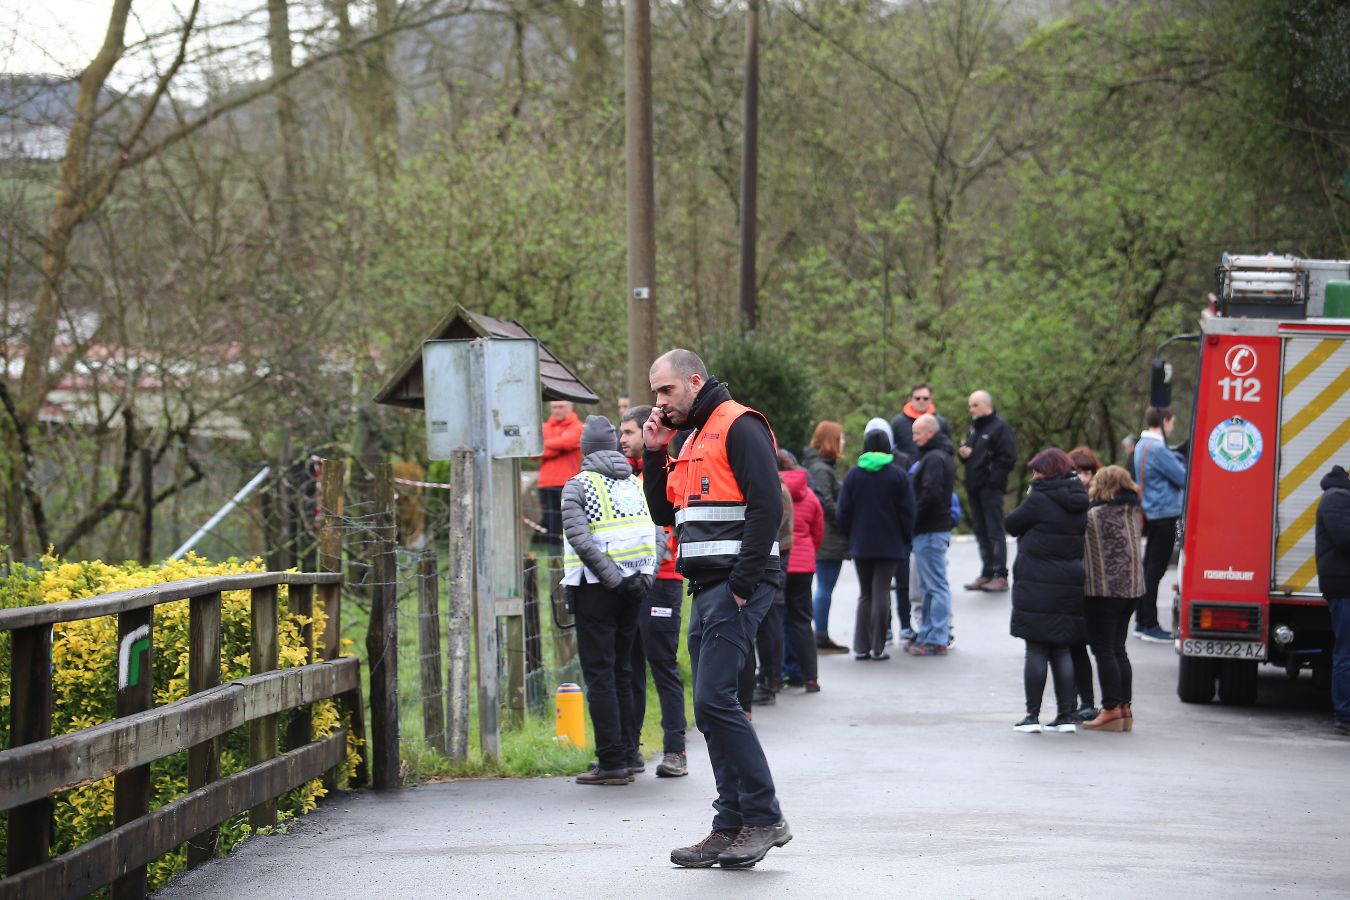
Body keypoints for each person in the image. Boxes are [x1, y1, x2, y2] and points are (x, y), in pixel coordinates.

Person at [641, 349, 791, 869]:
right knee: (710, 706)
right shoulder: (689, 437)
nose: (659, 402)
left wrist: (744, 584)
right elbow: (664, 511)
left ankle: (763, 818)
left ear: (694, 381)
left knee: (715, 701)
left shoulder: (738, 425)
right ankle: (730, 825)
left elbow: (768, 505)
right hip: (706, 586)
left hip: (735, 584)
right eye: (655, 392)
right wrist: (655, 454)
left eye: (666, 391)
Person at [561, 415, 658, 784]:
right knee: (624, 670)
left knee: (600, 673)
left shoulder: (578, 486)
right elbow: (657, 531)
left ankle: (612, 761)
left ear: (585, 450)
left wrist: (612, 580)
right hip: (634, 588)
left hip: (596, 589)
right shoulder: (636, 484)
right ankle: (630, 753)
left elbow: (579, 538)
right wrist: (644, 577)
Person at [618, 405, 689, 777]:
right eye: (622, 432)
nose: (622, 439)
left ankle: (676, 750)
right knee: (629, 667)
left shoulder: (669, 471)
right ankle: (630, 750)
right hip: (628, 582)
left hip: (662, 581)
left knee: (662, 665)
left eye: (628, 432)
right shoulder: (623, 477)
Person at [1005, 447, 1089, 734]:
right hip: (1069, 581)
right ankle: (1067, 714)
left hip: (1038, 581)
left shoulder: (1040, 498)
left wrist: (1032, 494)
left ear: (1047, 471)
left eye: (1036, 470)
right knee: (1062, 648)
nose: (1033, 475)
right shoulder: (1079, 499)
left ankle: (1032, 715)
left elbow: (1011, 523)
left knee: (1037, 648)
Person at [836, 418, 916, 661]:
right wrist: (905, 538)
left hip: (861, 544)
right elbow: (908, 512)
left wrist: (851, 536)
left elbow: (842, 512)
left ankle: (860, 646)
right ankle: (878, 647)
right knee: (882, 591)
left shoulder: (853, 475)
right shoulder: (898, 476)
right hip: (890, 544)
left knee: (865, 594)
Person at [1081, 465, 1144, 732]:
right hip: (1131, 590)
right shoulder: (1133, 512)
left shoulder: (1096, 515)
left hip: (1104, 590)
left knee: (1103, 650)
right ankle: (1125, 707)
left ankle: (1110, 708)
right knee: (1119, 649)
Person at [1133, 406, 1186, 642]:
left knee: (1148, 569)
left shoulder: (1141, 445)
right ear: (1165, 421)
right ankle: (1151, 624)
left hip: (1151, 512)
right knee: (1155, 570)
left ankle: (1142, 621)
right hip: (1165, 514)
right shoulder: (1158, 449)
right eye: (1172, 421)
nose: (1172, 426)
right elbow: (1184, 477)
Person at [959, 390, 1017, 592]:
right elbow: (974, 454)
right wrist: (964, 454)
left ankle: (1000, 574)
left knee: (994, 530)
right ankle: (987, 572)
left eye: (975, 405)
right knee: (980, 531)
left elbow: (1008, 458)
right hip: (974, 486)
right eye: (970, 405)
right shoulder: (975, 428)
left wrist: (992, 481)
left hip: (990, 488)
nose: (971, 409)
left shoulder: (1000, 427)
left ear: (986, 405)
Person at [908, 414, 955, 656]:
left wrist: (912, 518)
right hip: (930, 529)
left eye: (917, 432)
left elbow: (931, 494)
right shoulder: (937, 456)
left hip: (930, 529)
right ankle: (928, 633)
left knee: (935, 586)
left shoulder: (935, 458)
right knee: (928, 586)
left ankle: (937, 636)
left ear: (930, 432)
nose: (913, 437)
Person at [802, 421, 850, 653]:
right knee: (825, 588)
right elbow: (826, 503)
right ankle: (820, 636)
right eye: (840, 438)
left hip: (829, 537)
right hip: (829, 538)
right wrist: (847, 519)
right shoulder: (821, 469)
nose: (844, 442)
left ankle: (820, 633)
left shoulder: (823, 467)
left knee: (824, 587)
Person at [779, 449, 823, 691]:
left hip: (777, 561)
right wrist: (808, 553)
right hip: (803, 565)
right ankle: (811, 677)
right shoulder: (810, 496)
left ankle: (775, 676)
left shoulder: (769, 489)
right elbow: (818, 531)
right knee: (802, 621)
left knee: (775, 621)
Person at [750, 474, 795, 707]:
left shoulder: (774, 487)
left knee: (770, 622)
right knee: (769, 622)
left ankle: (770, 680)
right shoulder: (774, 484)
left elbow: (770, 524)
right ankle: (768, 678)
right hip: (772, 557)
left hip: (772, 558)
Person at [1066, 446, 1104, 718]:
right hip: (1070, 580)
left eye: (1088, 472)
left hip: (1093, 584)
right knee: (1073, 645)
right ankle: (1077, 702)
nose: (1083, 477)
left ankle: (1091, 702)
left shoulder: (1100, 503)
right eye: (1077, 472)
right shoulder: (1066, 499)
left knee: (1092, 647)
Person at [1315, 464, 1350, 737]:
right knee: (1346, 654)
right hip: (1343, 586)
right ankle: (1345, 715)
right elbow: (1344, 538)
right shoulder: (1337, 497)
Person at [538, 400, 583, 547]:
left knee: (569, 524)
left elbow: (568, 442)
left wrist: (546, 444)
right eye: (554, 407)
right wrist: (559, 444)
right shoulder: (544, 427)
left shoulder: (578, 427)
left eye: (561, 407)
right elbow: (535, 452)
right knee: (550, 526)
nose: (557, 410)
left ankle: (569, 558)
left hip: (566, 483)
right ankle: (554, 562)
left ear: (571, 407)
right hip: (545, 484)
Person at [890, 382, 950, 458]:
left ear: (931, 399)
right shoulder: (897, 423)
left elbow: (947, 449)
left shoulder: (940, 422)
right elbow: (890, 449)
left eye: (925, 398)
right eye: (917, 398)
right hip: (905, 468)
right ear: (910, 399)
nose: (921, 401)